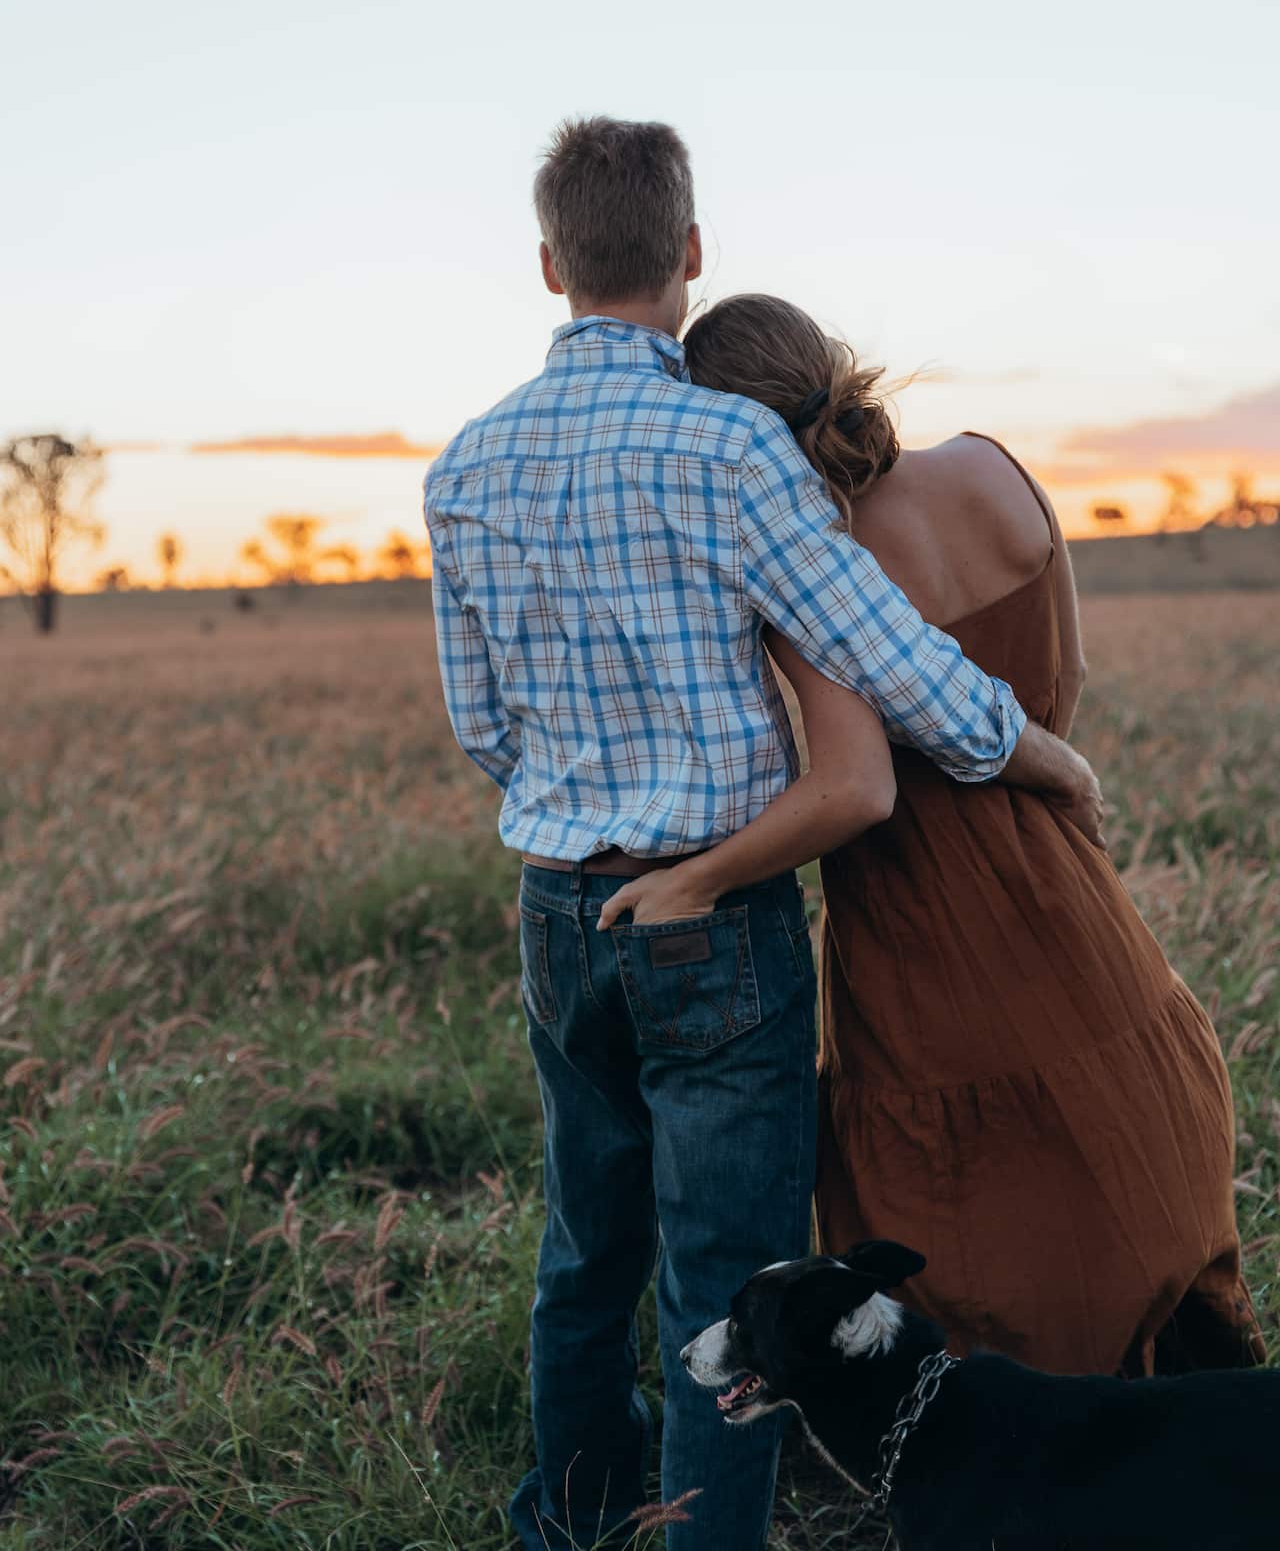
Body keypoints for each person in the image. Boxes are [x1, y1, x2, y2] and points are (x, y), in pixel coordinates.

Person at [423, 118, 1103, 1551]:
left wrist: (581, 816)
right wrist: (1045, 758)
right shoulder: (734, 446)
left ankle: (577, 1518)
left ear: (550, 264)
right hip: (718, 922)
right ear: (687, 253)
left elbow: (480, 724)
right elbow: (899, 667)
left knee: (582, 1250)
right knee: (725, 1273)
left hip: (559, 904)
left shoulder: (468, 464)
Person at [634, 290, 1262, 1381]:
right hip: (1070, 890)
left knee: (966, 1223)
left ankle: (1004, 1456)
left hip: (921, 940)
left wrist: (694, 877)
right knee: (1126, 1154)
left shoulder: (812, 573)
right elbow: (1055, 695)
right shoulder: (993, 469)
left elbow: (851, 788)